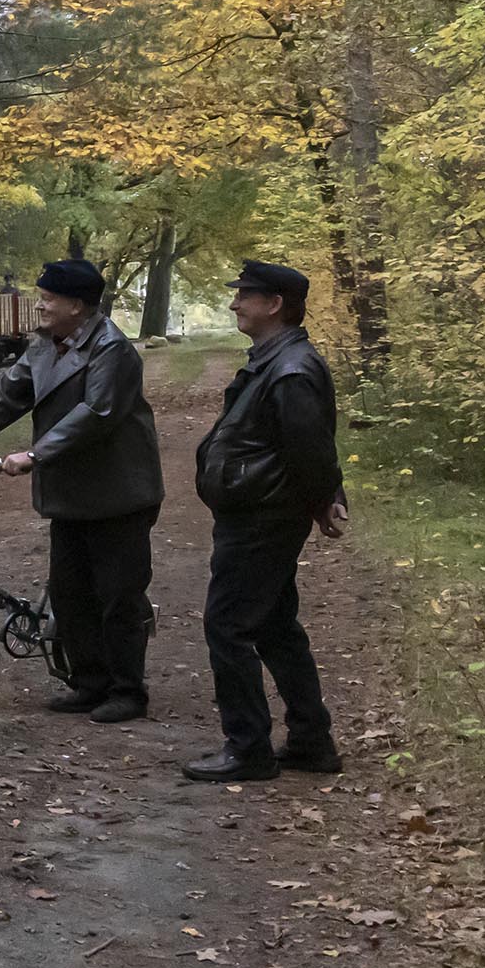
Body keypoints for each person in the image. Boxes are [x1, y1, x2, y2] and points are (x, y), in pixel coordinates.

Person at [0, 258, 163, 723]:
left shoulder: (112, 350)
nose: (40, 304)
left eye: (49, 298)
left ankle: (127, 691)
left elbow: (95, 415)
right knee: (71, 592)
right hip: (73, 493)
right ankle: (88, 682)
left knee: (117, 595)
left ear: (77, 305)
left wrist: (34, 455)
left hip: (118, 493)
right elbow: (10, 393)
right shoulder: (45, 345)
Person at [182, 260, 347, 782]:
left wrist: (325, 499)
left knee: (227, 625)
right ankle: (310, 742)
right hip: (261, 513)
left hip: (262, 519)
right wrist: (323, 498)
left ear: (274, 304)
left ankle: (248, 748)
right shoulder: (276, 361)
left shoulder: (292, 368)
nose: (235, 303)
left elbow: (312, 449)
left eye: (244, 295)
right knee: (275, 627)